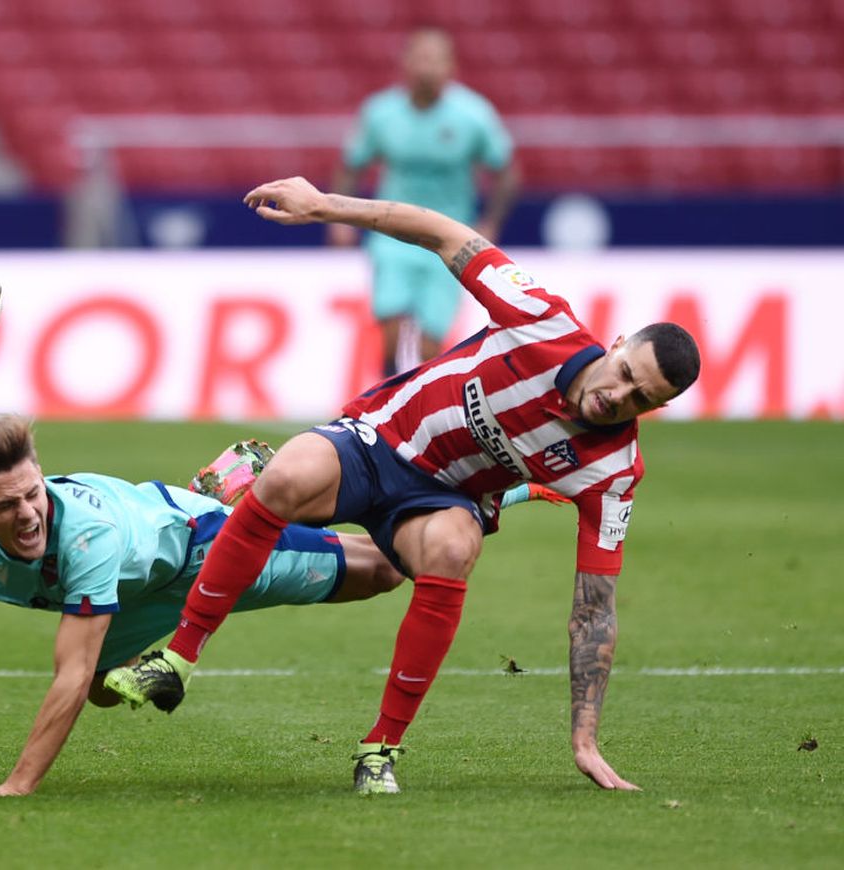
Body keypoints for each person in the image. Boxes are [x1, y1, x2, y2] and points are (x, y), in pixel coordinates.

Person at [105, 176, 702, 796]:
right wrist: (324, 205)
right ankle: (175, 659)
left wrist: (585, 738)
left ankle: (380, 748)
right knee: (286, 475)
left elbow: (595, 609)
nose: (619, 397)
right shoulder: (541, 319)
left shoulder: (613, 473)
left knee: (450, 551)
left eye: (642, 399)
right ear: (618, 343)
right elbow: (446, 234)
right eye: (626, 373)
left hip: (444, 500)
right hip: (376, 439)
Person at [0, 419, 416, 798]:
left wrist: (18, 785)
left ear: (42, 476)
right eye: (7, 505)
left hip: (198, 550)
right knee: (107, 690)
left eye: (34, 493)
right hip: (134, 585)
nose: (30, 513)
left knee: (386, 570)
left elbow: (69, 668)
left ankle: (442, 495)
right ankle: (244, 498)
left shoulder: (83, 535)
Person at [331, 28, 519, 377]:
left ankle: (418, 403)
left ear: (451, 67)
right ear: (405, 63)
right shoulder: (381, 113)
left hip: (448, 238)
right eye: (420, 58)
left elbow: (507, 172)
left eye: (435, 60)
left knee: (432, 338)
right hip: (391, 232)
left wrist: (491, 221)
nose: (426, 68)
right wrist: (340, 221)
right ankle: (386, 390)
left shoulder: (473, 115)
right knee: (389, 318)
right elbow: (351, 166)